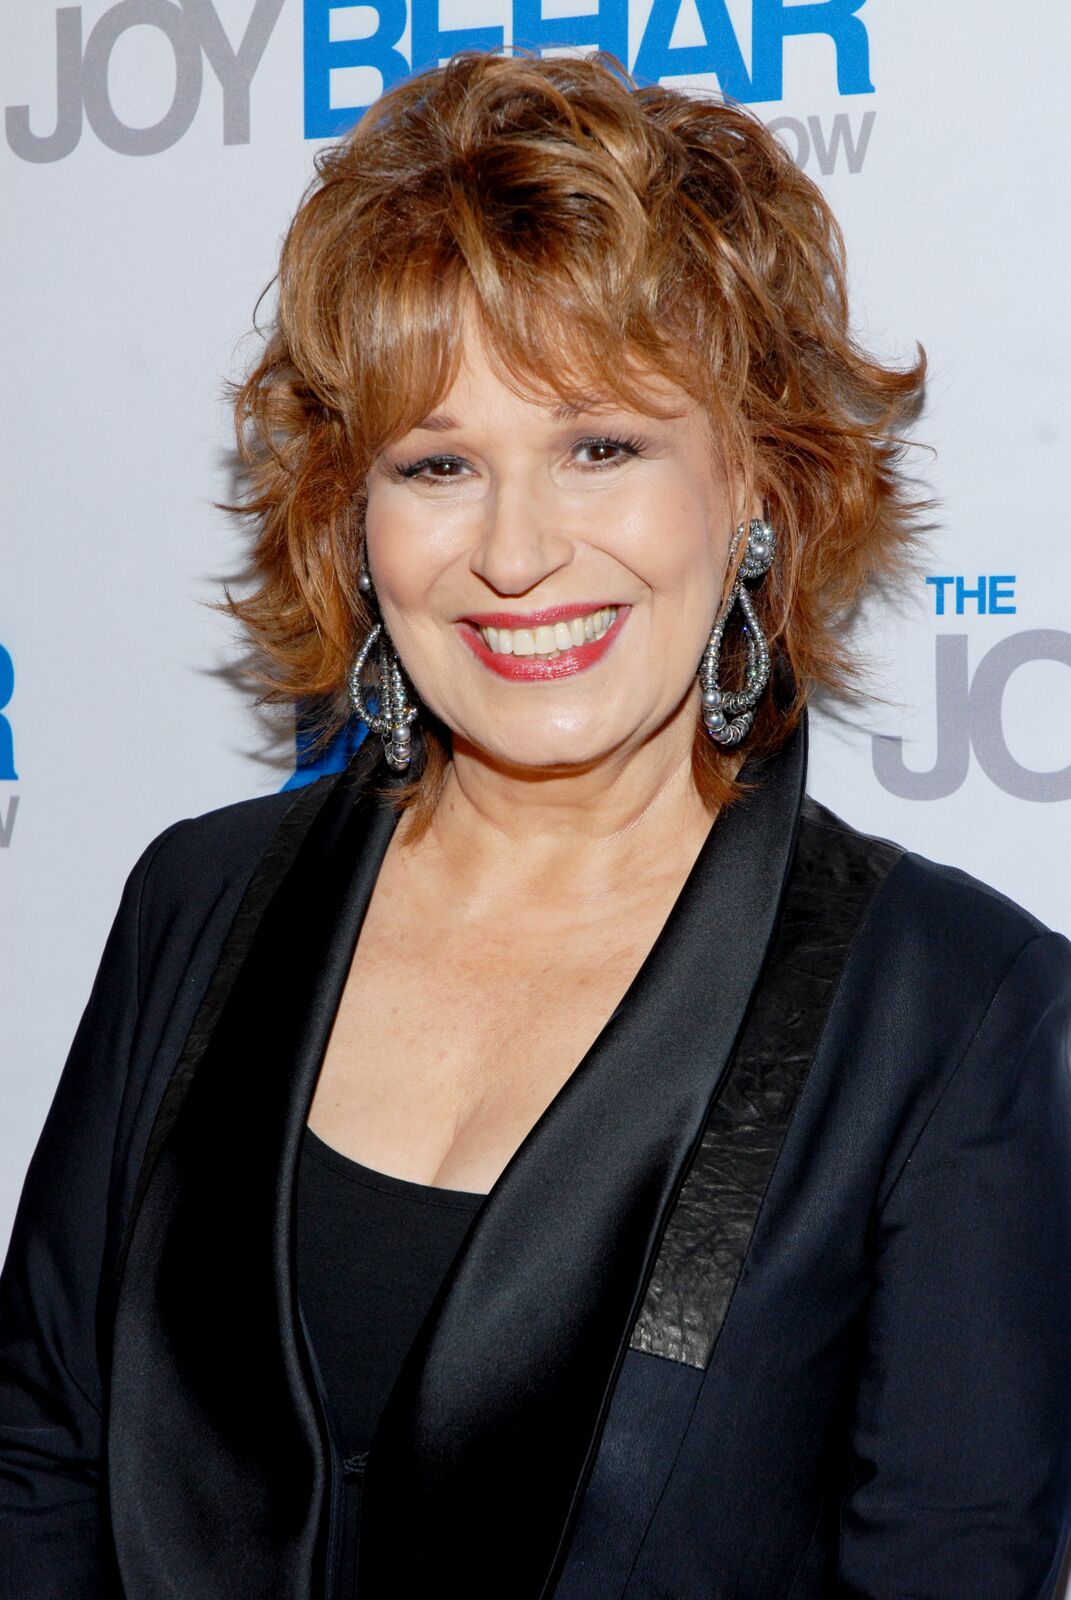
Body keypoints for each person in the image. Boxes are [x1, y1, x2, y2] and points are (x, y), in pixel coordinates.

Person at [2, 47, 1070, 1600]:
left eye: (601, 446)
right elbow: (44, 1458)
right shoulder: (200, 903)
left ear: (757, 483)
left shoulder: (955, 1009)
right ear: (354, 522)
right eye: (437, 463)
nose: (514, 554)